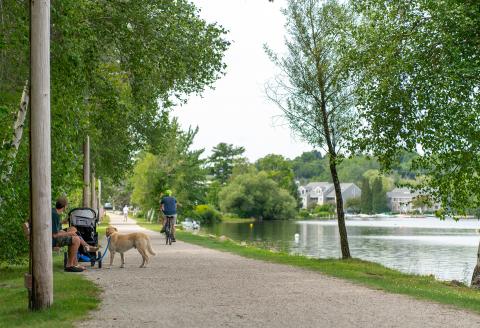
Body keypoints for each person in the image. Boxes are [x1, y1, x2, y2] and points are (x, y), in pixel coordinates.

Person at [52, 197, 98, 272]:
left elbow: (57, 230)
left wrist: (67, 231)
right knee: (75, 239)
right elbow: (54, 235)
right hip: (51, 240)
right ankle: (70, 265)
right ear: (65, 206)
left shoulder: (55, 212)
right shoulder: (55, 215)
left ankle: (76, 262)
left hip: (52, 236)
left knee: (73, 229)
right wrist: (69, 233)